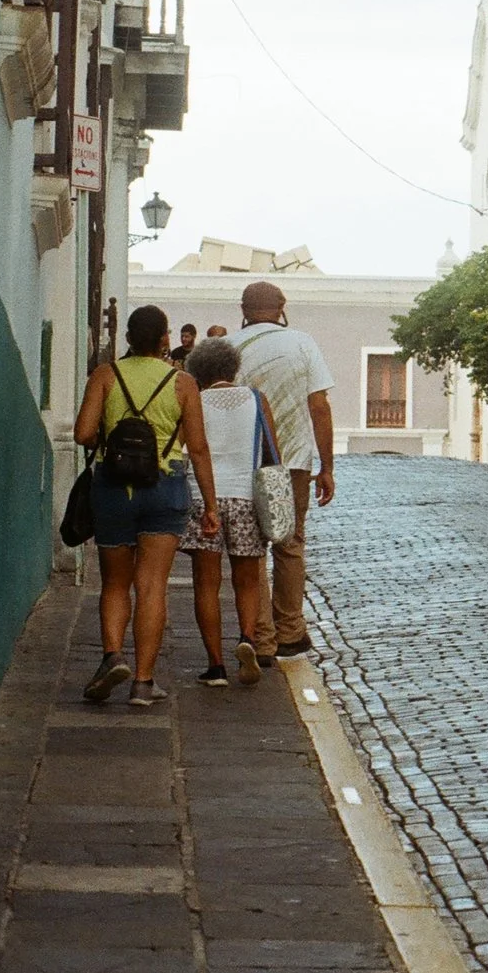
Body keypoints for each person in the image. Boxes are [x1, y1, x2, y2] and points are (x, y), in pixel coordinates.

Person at [74, 305, 219, 706]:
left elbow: (84, 433)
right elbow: (200, 448)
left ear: (128, 339)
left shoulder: (106, 375)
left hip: (113, 487)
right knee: (152, 586)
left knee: (115, 582)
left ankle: (111, 656)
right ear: (163, 339)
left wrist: (111, 429)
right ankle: (143, 682)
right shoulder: (183, 383)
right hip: (165, 487)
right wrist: (210, 505)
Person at [229, 282, 335, 661]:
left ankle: (261, 637)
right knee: (289, 545)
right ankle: (290, 629)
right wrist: (327, 466)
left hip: (245, 462)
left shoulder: (229, 348)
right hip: (292, 463)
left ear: (243, 308)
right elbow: (319, 406)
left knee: (251, 548)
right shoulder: (302, 344)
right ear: (282, 308)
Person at [179, 336, 278, 687]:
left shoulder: (194, 399)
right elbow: (271, 452)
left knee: (206, 583)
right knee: (247, 579)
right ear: (233, 366)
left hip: (202, 498)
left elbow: (183, 448)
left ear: (197, 370)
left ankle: (216, 665)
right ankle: (248, 638)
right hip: (246, 498)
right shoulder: (257, 399)